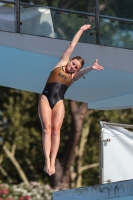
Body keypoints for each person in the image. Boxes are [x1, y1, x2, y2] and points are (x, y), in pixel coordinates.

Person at [38, 24, 104, 176]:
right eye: (73, 63)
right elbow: (71, 45)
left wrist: (91, 68)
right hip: (46, 98)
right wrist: (80, 30)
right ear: (69, 61)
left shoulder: (74, 77)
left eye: (76, 67)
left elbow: (83, 72)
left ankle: (53, 161)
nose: (73, 67)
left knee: (56, 131)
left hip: (59, 101)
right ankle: (46, 160)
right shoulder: (61, 63)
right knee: (47, 128)